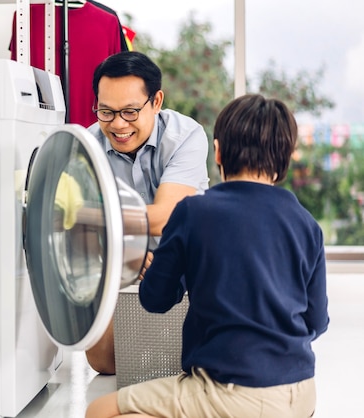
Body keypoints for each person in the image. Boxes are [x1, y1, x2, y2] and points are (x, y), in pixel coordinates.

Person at [85, 93, 330, 418]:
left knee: (100, 410)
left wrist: (164, 270)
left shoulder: (192, 213)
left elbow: (155, 299)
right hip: (301, 394)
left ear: (217, 151)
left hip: (228, 392)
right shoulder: (306, 223)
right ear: (286, 157)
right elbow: (316, 321)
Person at [85, 51, 210, 375]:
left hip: (186, 261)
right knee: (103, 363)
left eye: (129, 111)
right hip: (119, 262)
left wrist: (92, 215)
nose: (118, 124)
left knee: (190, 362)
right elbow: (74, 230)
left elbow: (166, 217)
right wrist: (129, 254)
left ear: (156, 101)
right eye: (106, 111)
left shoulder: (186, 135)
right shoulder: (87, 144)